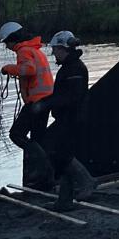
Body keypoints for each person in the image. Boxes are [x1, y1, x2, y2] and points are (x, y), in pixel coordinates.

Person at [0, 21, 55, 188]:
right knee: (38, 138)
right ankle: (44, 179)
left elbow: (29, 70)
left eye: (7, 42)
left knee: (16, 134)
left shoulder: (23, 51)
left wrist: (9, 68)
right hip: (45, 100)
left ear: (13, 39)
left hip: (36, 102)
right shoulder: (35, 50)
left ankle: (42, 166)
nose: (6, 46)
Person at [47, 31, 95, 211]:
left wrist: (48, 103)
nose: (54, 54)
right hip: (68, 117)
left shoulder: (74, 69)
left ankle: (86, 182)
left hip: (72, 118)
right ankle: (64, 200)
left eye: (55, 50)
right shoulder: (70, 67)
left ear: (63, 48)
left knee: (62, 155)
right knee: (61, 155)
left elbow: (72, 97)